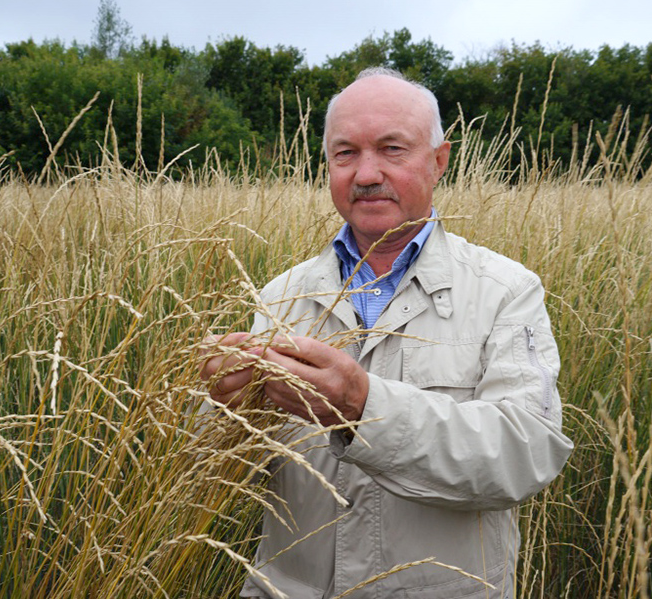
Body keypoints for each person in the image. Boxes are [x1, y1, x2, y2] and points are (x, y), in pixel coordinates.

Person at [201, 67, 573, 598]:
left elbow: (526, 453)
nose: (367, 174)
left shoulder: (506, 290)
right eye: (345, 153)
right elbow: (226, 477)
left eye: (392, 149)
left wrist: (362, 407)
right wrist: (221, 411)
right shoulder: (280, 294)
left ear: (439, 160)